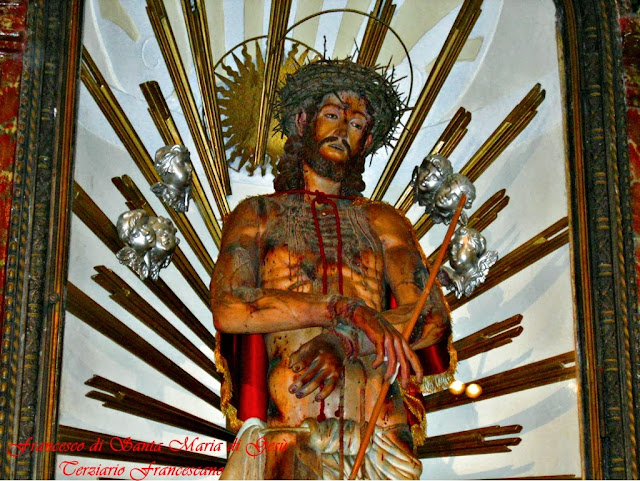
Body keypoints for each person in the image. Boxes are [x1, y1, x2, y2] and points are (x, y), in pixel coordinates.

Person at [210, 59, 455, 480]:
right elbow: (230, 307)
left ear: (367, 140)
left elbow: (430, 315)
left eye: (356, 124)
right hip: (292, 426)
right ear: (303, 121)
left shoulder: (384, 221)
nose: (343, 130)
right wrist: (344, 308)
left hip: (380, 429)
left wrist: (344, 339)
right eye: (331, 115)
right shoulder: (258, 214)